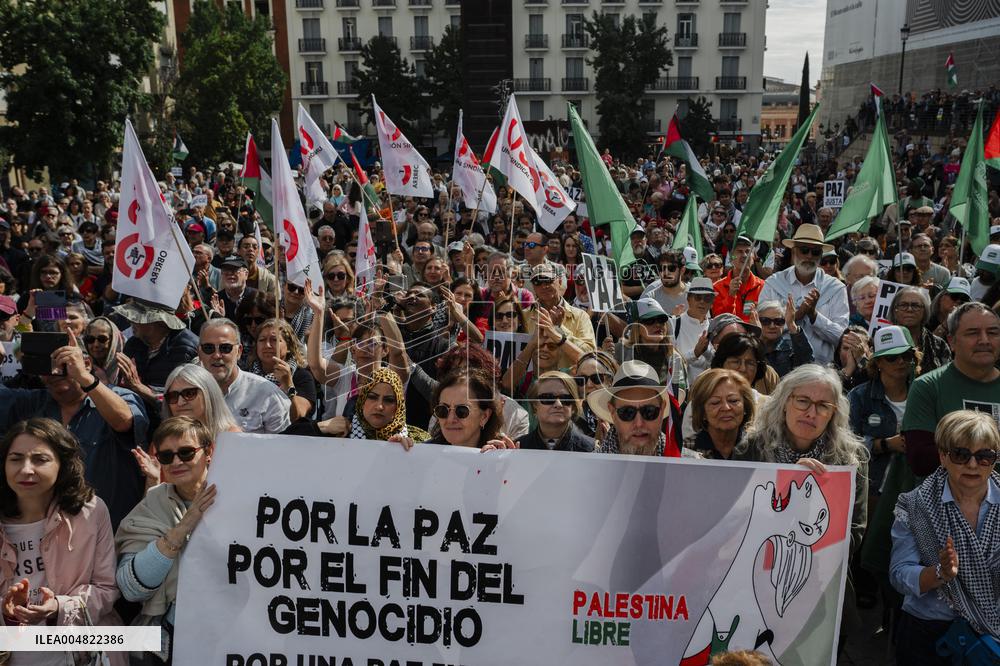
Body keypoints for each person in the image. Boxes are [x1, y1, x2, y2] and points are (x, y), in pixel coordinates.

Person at [0, 333, 148, 530]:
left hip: (110, 531)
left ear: (85, 363)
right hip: (51, 535)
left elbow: (124, 421)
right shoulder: (32, 403)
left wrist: (84, 377)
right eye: (47, 366)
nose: (54, 372)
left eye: (63, 364)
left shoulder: (118, 396)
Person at [0, 418, 121, 659]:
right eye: (15, 459)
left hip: (81, 654)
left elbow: (107, 589)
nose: (26, 469)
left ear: (62, 464)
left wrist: (59, 607)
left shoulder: (92, 511)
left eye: (40, 459)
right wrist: (7, 613)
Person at [890, 410, 1000, 664]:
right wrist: (940, 573)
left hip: (993, 640)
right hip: (929, 633)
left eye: (984, 456)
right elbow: (899, 574)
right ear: (942, 456)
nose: (973, 465)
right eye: (961, 455)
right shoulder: (915, 505)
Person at [115, 416, 218, 665]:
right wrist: (185, 525)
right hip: (169, 639)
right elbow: (131, 587)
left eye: (185, 452)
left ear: (209, 452)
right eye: (166, 456)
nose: (176, 462)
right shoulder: (153, 503)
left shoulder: (241, 497)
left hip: (231, 633)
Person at [735, 364, 869, 555]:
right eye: (802, 401)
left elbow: (853, 535)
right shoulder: (750, 450)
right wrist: (789, 485)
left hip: (822, 572)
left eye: (823, 406)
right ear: (784, 402)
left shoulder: (852, 459)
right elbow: (737, 522)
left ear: (833, 414)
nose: (811, 413)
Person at [902, 302, 1000, 476]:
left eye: (993, 333)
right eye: (973, 333)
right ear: (951, 341)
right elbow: (920, 460)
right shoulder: (927, 387)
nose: (984, 340)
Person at [759, 224, 849, 365]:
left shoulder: (835, 288)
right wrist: (795, 317)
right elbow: (761, 329)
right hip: (778, 367)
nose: (809, 256)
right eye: (804, 250)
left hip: (820, 369)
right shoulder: (773, 283)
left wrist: (814, 315)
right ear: (794, 251)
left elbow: (841, 337)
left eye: (815, 252)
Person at [848, 325, 920, 497]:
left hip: (915, 489)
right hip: (871, 489)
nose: (900, 361)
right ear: (878, 362)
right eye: (891, 357)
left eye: (906, 355)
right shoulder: (859, 397)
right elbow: (846, 445)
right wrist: (885, 444)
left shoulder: (925, 394)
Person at [196, 318, 291, 434]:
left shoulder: (268, 395)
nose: (216, 355)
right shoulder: (186, 394)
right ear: (199, 353)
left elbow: (281, 447)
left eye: (225, 348)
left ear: (239, 351)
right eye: (208, 348)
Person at [114, 300, 199, 408]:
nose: (130, 320)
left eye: (137, 318)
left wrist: (139, 388)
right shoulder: (133, 344)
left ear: (158, 322)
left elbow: (187, 401)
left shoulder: (186, 349)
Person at [587, 360, 681, 456]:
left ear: (662, 410)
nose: (639, 423)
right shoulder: (588, 468)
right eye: (627, 413)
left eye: (649, 411)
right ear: (612, 412)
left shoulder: (688, 465)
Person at [250, 318, 316, 423]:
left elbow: (298, 416)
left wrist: (288, 385)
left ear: (288, 346)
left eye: (274, 340)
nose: (267, 345)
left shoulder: (302, 376)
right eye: (262, 340)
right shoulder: (247, 375)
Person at [683, 369, 755, 460]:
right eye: (715, 402)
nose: (726, 408)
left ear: (745, 406)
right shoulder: (686, 450)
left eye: (733, 400)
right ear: (703, 412)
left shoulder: (760, 449)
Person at [517, 371, 595, 452]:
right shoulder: (517, 448)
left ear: (573, 407)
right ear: (535, 406)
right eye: (548, 398)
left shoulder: (591, 449)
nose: (558, 404)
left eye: (565, 398)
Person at [426, 369, 503, 448]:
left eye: (461, 411)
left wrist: (508, 458)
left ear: (484, 416)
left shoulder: (502, 455)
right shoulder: (422, 453)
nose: (450, 419)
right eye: (443, 410)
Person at [888, 286, 951, 373]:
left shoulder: (939, 345)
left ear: (924, 311)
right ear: (895, 310)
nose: (909, 309)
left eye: (915, 305)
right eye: (903, 305)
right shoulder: (883, 340)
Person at [712, 236, 764, 322]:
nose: (744, 255)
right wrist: (731, 296)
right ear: (731, 258)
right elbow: (719, 321)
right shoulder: (717, 287)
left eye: (748, 251)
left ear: (753, 257)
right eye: (739, 251)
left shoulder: (763, 286)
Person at [757, 297, 813, 377]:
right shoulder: (749, 346)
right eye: (765, 321)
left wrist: (791, 324)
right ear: (757, 320)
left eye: (778, 321)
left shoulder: (791, 348)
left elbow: (808, 365)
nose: (772, 326)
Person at [571, 351, 619, 441]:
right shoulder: (570, 415)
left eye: (596, 378)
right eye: (582, 379)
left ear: (610, 381)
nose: (589, 384)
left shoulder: (625, 414)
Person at [641, 250, 689, 315]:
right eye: (662, 268)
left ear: (682, 270)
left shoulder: (695, 296)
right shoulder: (650, 298)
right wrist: (672, 318)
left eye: (671, 268)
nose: (665, 273)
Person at [83, 315, 125, 386]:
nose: (96, 345)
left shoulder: (124, 370)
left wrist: (105, 383)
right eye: (90, 339)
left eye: (102, 339)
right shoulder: (83, 367)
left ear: (113, 341)